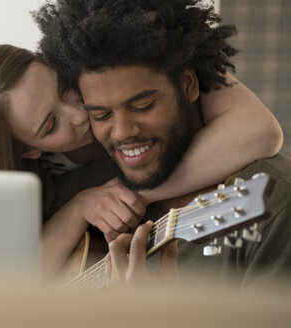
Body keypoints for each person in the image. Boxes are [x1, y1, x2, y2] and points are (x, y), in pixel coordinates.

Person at [0, 42, 282, 281]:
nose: (79, 113)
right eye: (50, 125)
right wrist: (79, 207)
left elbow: (261, 131)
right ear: (27, 151)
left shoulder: (109, 60)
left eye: (62, 88)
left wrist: (137, 188)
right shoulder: (12, 183)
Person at [33, 0, 291, 287]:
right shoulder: (94, 203)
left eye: (142, 105)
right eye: (101, 114)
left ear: (188, 85)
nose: (121, 133)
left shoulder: (273, 203)